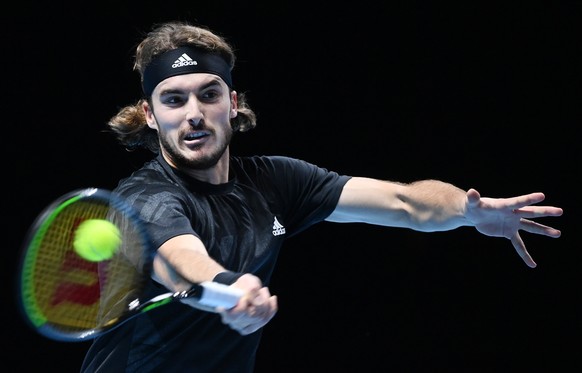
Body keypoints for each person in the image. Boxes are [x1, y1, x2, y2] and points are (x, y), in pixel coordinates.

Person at [80, 20, 563, 372]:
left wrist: (467, 211)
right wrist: (230, 286)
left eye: (209, 94)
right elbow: (179, 260)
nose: (193, 113)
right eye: (173, 99)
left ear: (233, 102)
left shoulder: (277, 181)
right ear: (148, 113)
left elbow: (406, 203)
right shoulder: (144, 196)